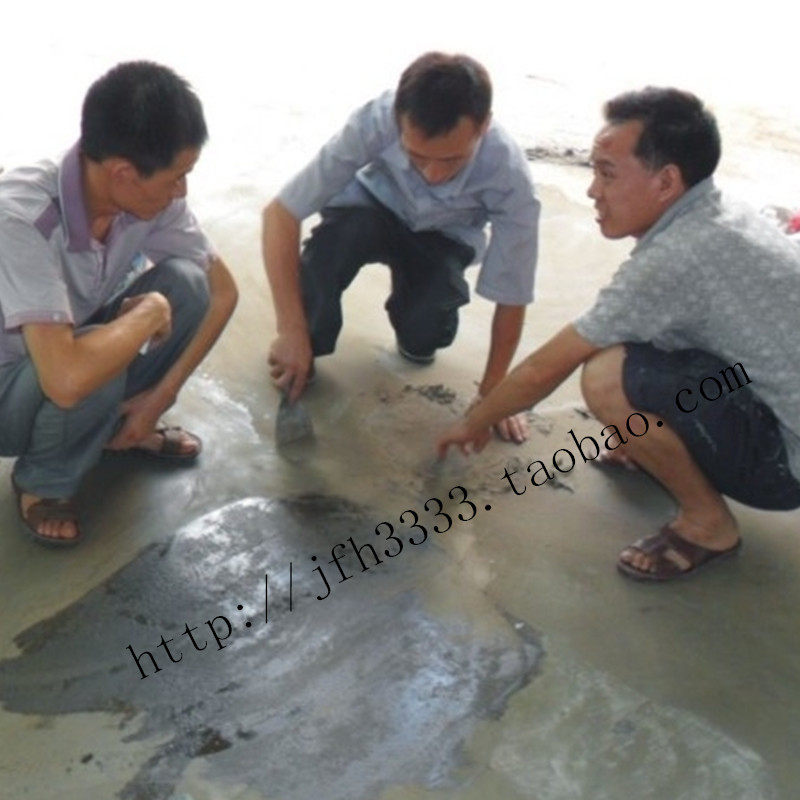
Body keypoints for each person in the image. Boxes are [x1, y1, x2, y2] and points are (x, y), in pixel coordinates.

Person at [437, 86, 800, 581]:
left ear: (666, 181)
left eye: (607, 173)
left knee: (607, 374)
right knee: (645, 337)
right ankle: (653, 450)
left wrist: (475, 420)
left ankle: (708, 524)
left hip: (785, 465)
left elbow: (549, 366)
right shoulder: (723, 213)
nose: (592, 190)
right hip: (774, 405)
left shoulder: (677, 256)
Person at [0, 61, 238, 546]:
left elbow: (222, 292)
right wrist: (148, 314)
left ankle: (119, 424)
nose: (182, 190)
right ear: (124, 174)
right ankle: (43, 481)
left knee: (188, 284)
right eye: (176, 177)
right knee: (97, 357)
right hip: (10, 390)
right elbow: (66, 379)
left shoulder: (148, 202)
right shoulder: (20, 218)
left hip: (68, 350)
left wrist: (161, 396)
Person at [262, 52, 540, 443]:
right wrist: (290, 329)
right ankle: (305, 346)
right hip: (370, 208)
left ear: (484, 125)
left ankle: (415, 326)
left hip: (444, 235)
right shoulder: (374, 121)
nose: (433, 174)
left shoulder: (510, 175)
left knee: (423, 338)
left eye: (452, 160)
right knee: (328, 258)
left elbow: (513, 292)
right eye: (417, 155)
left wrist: (493, 392)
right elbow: (281, 213)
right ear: (397, 120)